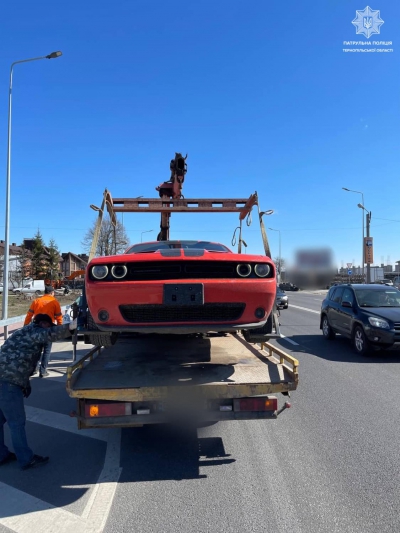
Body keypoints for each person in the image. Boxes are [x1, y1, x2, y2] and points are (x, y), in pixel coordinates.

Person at [0, 313, 77, 470]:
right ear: (42, 324)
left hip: (5, 379)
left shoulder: (23, 331)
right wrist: (71, 327)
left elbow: (20, 359)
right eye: (48, 325)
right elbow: (49, 334)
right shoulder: (35, 332)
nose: (48, 329)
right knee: (17, 423)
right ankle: (26, 459)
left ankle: (2, 455)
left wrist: (25, 383)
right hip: (8, 383)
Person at [24, 285, 63, 377]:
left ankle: (34, 369)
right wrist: (60, 328)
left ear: (44, 292)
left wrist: (25, 326)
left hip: (36, 328)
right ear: (52, 293)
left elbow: (29, 314)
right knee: (47, 350)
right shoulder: (54, 302)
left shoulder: (36, 301)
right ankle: (43, 371)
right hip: (48, 328)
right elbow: (59, 317)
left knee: (36, 350)